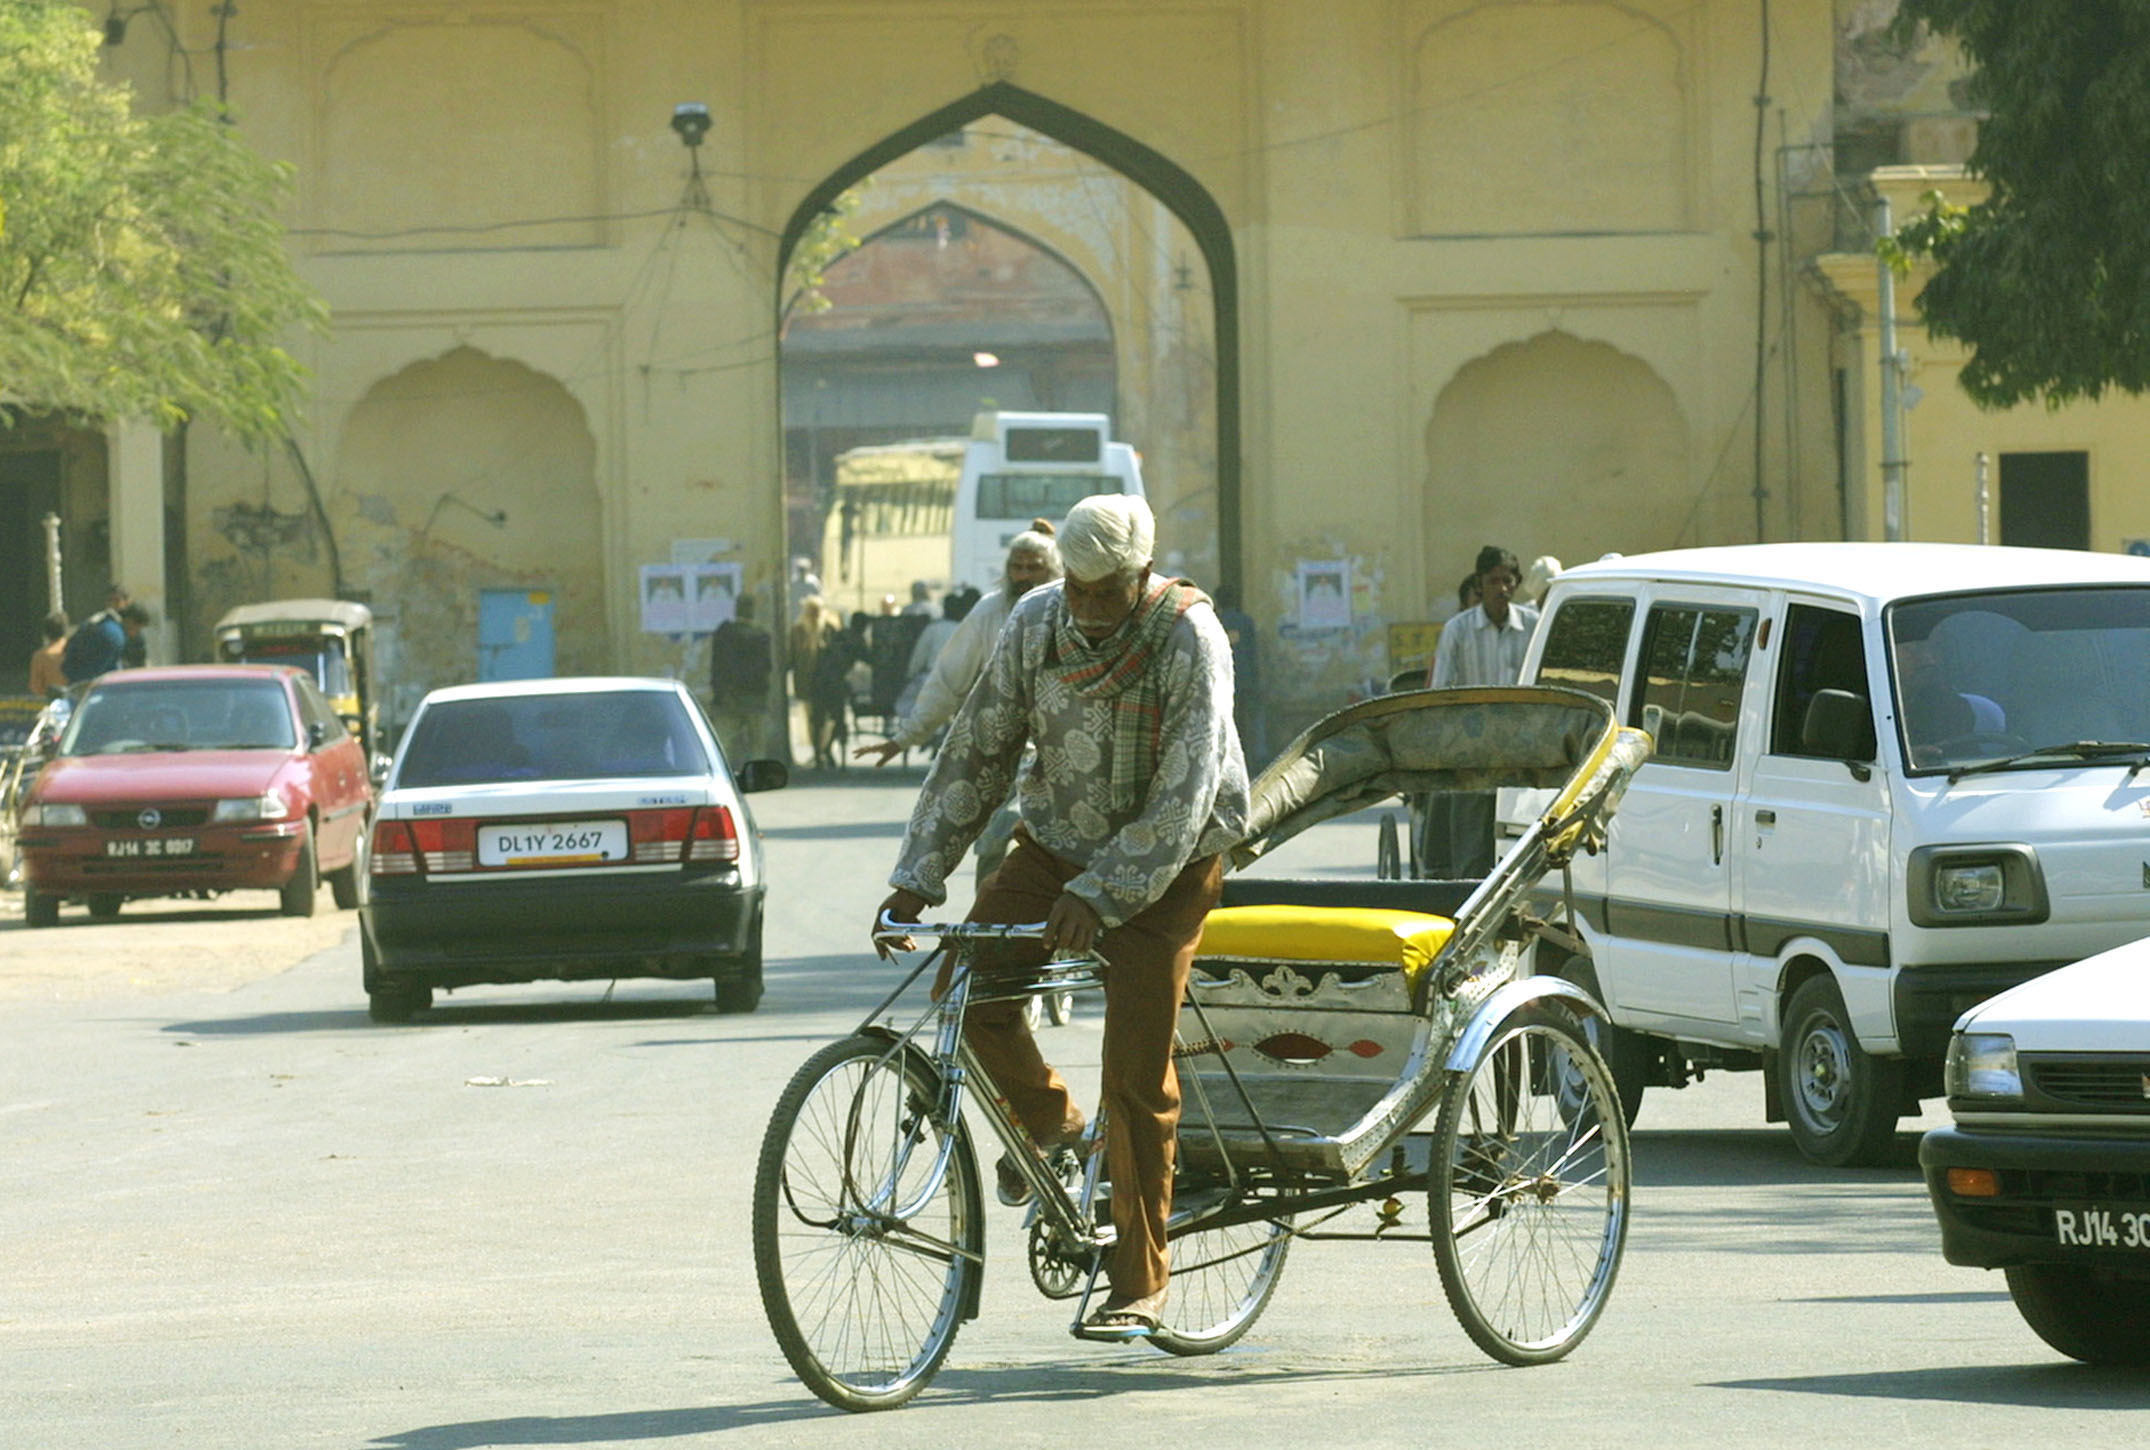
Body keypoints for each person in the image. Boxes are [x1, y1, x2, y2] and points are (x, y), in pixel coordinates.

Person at [876, 493, 1249, 1341]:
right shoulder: (1039, 621)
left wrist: (1106, 891)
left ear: (1141, 575)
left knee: (1134, 1071)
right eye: (1074, 589)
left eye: (1101, 592)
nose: (1083, 608)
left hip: (1168, 862)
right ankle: (1052, 1124)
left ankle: (1138, 1279)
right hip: (1054, 841)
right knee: (968, 994)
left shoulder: (1190, 636)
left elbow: (1186, 793)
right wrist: (918, 873)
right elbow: (979, 746)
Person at [853, 524, 1061, 767]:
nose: (1024, 575)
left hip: (1061, 743)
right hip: (1006, 748)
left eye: (1034, 567)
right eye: (1018, 567)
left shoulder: (1068, 611)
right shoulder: (989, 612)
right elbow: (947, 680)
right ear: (1008, 569)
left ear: (1051, 570)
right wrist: (904, 738)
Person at [1421, 544, 1539, 877]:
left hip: (1522, 762)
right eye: (1494, 581)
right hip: (1472, 762)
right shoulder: (1458, 631)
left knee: (1517, 857)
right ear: (1479, 583)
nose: (1502, 589)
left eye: (1508, 581)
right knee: (1471, 859)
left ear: (1516, 584)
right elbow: (1440, 697)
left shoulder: (1534, 626)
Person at [707, 595, 772, 761]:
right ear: (753, 611)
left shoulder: (724, 633)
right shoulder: (762, 635)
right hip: (755, 699)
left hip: (730, 699)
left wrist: (720, 694)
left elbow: (717, 666)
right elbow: (767, 667)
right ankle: (758, 781)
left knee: (721, 745)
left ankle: (721, 780)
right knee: (757, 746)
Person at [1211, 583, 1264, 765]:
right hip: (1245, 679)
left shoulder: (1214, 621)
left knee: (1225, 722)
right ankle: (1247, 757)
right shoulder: (1245, 621)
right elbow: (1253, 652)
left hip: (1221, 682)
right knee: (1246, 721)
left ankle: (1227, 760)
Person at [788, 596, 837, 766]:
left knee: (827, 719)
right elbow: (792, 655)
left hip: (826, 682)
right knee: (811, 718)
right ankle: (818, 752)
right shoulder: (799, 629)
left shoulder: (829, 628)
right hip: (807, 681)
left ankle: (824, 749)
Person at [62, 595, 152, 684]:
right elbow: (98, 675)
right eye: (138, 629)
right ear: (130, 622)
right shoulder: (115, 637)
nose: (137, 634)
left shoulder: (103, 622)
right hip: (86, 686)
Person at [27, 612, 68, 699]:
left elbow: (35, 686)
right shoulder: (75, 650)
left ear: (45, 632)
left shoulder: (40, 657)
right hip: (77, 703)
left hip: (53, 703)